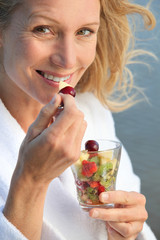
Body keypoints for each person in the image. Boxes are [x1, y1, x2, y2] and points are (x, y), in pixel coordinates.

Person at [0, 0, 157, 239]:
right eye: (43, 29)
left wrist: (126, 232)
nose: (69, 61)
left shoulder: (93, 111)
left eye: (84, 31)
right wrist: (31, 180)